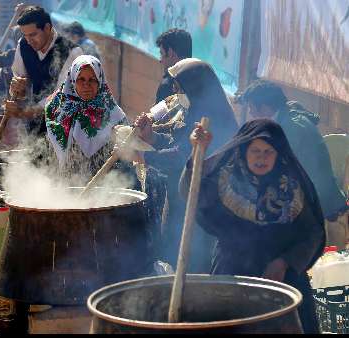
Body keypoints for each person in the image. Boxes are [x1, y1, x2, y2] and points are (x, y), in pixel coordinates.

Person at [181, 119, 326, 333]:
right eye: (255, 150)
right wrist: (198, 151)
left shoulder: (293, 188)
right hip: (232, 275)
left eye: (268, 152)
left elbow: (313, 234)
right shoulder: (226, 179)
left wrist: (285, 261)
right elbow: (191, 191)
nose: (261, 158)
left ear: (278, 155)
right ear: (243, 151)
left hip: (283, 281)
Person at [130, 58, 238, 271]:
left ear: (195, 87)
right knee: (175, 254)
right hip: (180, 197)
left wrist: (146, 157)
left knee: (194, 261)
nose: (176, 93)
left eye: (180, 88)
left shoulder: (212, 119)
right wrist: (151, 137)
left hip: (203, 205)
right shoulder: (193, 111)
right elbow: (178, 142)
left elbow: (183, 156)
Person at [237, 80, 347, 222]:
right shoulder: (286, 115)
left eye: (252, 108)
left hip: (317, 203)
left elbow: (280, 170)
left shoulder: (292, 128)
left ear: (264, 108)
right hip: (308, 194)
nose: (251, 114)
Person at [45, 55, 126, 184]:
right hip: (65, 187)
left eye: (92, 80)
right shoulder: (57, 110)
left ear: (99, 80)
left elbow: (123, 159)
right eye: (80, 79)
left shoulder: (114, 114)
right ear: (72, 80)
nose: (86, 85)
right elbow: (50, 154)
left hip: (104, 187)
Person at [5, 6, 83, 136]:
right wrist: (17, 87)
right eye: (25, 35)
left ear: (47, 28)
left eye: (33, 34)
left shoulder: (71, 52)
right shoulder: (23, 45)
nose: (29, 41)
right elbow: (21, 83)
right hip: (35, 125)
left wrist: (25, 112)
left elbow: (62, 97)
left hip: (64, 127)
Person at [155, 28, 192, 104]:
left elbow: (158, 116)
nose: (160, 60)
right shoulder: (202, 81)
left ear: (170, 53)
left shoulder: (167, 86)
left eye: (162, 53)